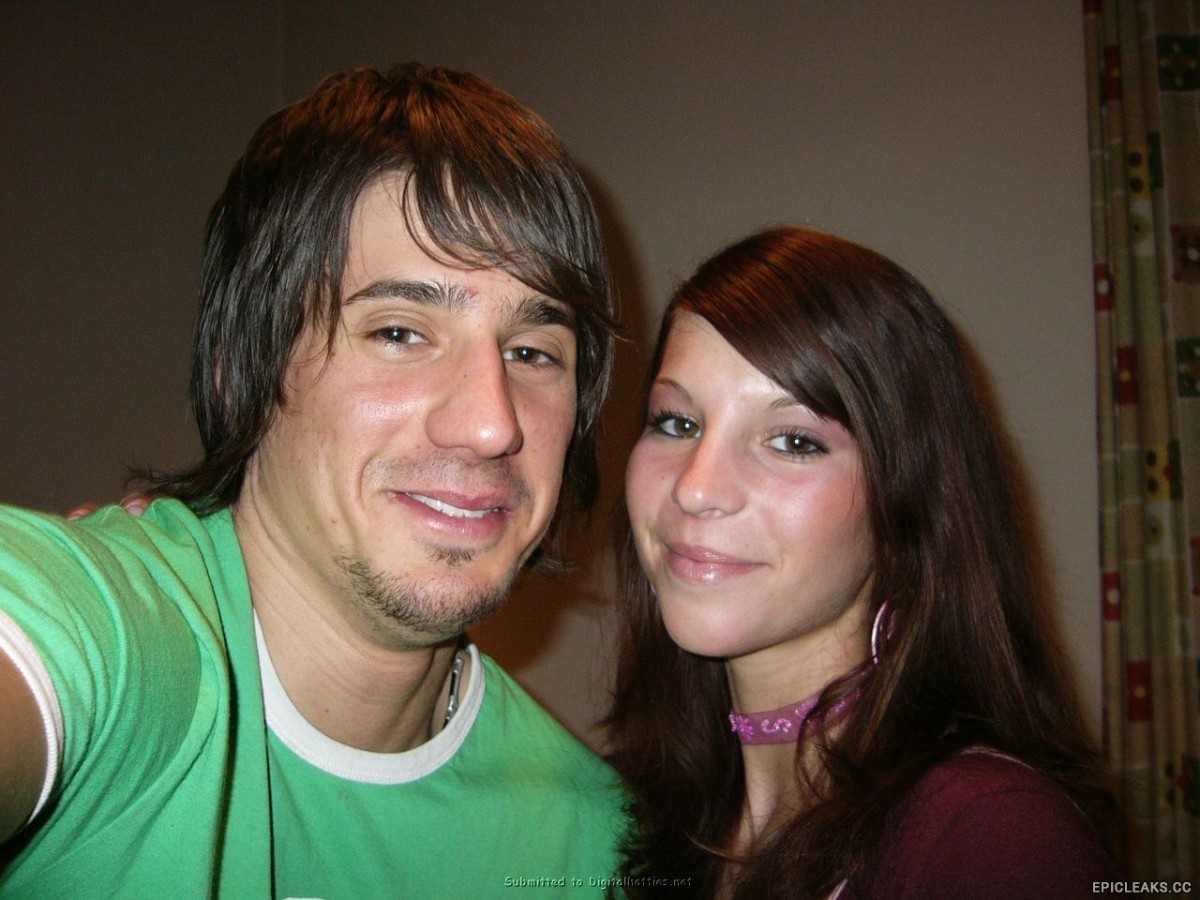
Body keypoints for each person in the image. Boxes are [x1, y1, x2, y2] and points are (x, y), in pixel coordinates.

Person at [0, 64, 627, 897]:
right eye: (400, 331)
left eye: (532, 351)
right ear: (242, 372)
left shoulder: (596, 848)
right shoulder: (109, 640)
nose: (492, 423)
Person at [605, 226, 1122, 898]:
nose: (695, 487)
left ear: (907, 502)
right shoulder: (627, 813)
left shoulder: (990, 837)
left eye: (793, 441)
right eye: (677, 422)